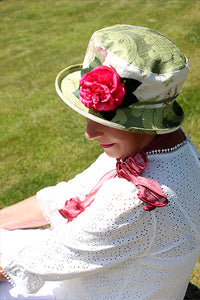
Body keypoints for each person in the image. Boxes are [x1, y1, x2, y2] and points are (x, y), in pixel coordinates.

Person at [0, 24, 200, 300]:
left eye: (107, 120)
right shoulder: (167, 145)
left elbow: (40, 262)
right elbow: (71, 192)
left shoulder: (136, 198)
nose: (89, 133)